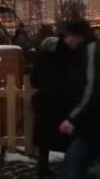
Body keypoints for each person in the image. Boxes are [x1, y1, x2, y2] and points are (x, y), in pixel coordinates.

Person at [57, 20, 100, 179]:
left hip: (96, 123)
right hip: (91, 124)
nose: (65, 40)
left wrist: (73, 118)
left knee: (74, 164)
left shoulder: (92, 51)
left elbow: (93, 89)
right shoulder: (81, 52)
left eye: (68, 36)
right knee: (74, 163)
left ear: (78, 36)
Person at [31, 35, 72, 178]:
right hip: (60, 103)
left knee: (44, 140)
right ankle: (70, 167)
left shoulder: (40, 60)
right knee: (65, 137)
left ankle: (42, 168)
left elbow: (34, 81)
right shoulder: (64, 60)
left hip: (44, 104)